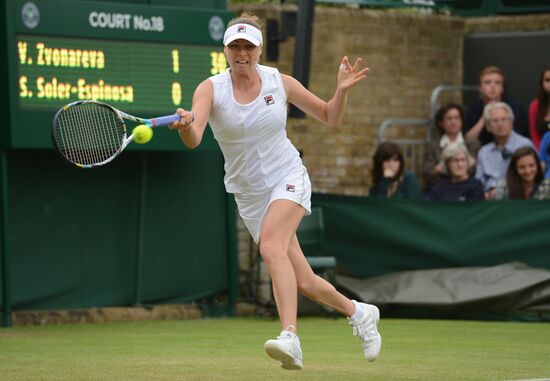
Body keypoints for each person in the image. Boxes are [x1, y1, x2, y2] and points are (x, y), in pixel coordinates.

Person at [169, 13, 380, 370]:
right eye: (234, 46)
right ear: (225, 50)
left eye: (247, 46)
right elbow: (195, 138)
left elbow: (330, 116)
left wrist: (340, 93)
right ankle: (360, 313)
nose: (241, 52)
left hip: (288, 176)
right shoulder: (210, 89)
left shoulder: (279, 82)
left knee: (270, 247)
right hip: (249, 195)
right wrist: (185, 126)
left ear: (259, 49)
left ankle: (290, 337)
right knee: (304, 281)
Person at [475, 102, 535, 199]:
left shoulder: (525, 145)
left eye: (503, 120)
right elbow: (478, 183)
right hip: (489, 201)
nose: (500, 124)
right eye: (495, 121)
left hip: (517, 198)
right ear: (488, 127)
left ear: (511, 123)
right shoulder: (484, 152)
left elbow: (532, 179)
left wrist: (501, 192)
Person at [465, 66, 529, 146]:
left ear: (502, 88)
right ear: (480, 88)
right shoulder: (473, 109)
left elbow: (519, 139)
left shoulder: (516, 108)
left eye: (497, 83)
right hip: (481, 153)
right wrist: (484, 118)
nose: (493, 86)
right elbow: (469, 140)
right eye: (487, 82)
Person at [422, 103, 477, 192]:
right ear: (441, 123)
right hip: (439, 190)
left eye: (457, 118)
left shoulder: (472, 144)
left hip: (467, 190)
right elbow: (427, 173)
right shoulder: (433, 146)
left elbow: (473, 169)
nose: (453, 122)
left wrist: (442, 169)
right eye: (449, 119)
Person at [528, 66, 550, 150]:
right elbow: (534, 134)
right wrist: (542, 154)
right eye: (547, 80)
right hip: (542, 154)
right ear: (542, 83)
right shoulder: (535, 105)